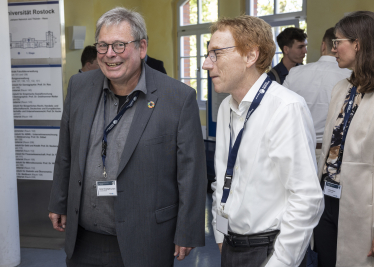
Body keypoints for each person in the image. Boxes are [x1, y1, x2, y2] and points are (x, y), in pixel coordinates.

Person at [48, 7, 206, 267]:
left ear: (142, 47)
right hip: (83, 238)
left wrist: (187, 229)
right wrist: (59, 200)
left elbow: (191, 173)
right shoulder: (79, 87)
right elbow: (65, 151)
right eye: (103, 45)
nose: (110, 54)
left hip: (146, 239)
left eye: (120, 45)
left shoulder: (177, 98)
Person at [202, 15, 324, 267]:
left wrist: (280, 262)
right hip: (230, 245)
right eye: (207, 54)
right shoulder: (226, 107)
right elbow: (223, 178)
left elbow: (306, 198)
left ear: (250, 56)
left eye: (216, 53)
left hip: (270, 251)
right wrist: (219, 231)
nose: (206, 64)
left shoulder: (285, 107)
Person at [313, 11, 374, 267]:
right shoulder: (342, 89)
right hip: (328, 199)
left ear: (358, 44)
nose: (334, 49)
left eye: (338, 42)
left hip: (362, 207)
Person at [283, 27, 351, 162]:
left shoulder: (295, 73)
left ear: (323, 45)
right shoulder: (349, 76)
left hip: (297, 147)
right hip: (333, 152)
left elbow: (281, 110)